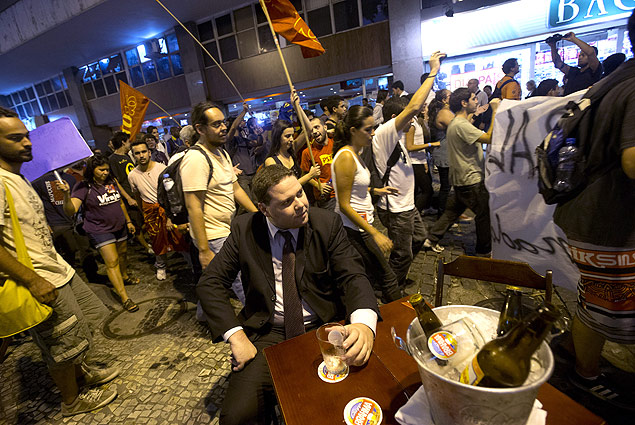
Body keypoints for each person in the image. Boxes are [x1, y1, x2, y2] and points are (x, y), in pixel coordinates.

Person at [196, 164, 379, 425]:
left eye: (300, 193)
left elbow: (353, 275)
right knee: (236, 417)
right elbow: (210, 283)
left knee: (340, 405)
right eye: (287, 202)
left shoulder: (326, 222)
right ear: (264, 209)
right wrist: (236, 336)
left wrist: (362, 324)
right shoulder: (244, 229)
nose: (301, 204)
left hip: (323, 326)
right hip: (268, 331)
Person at [0, 107, 119, 416]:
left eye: (27, 136)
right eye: (15, 138)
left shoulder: (18, 177)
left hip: (59, 270)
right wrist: (31, 279)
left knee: (77, 330)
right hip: (39, 276)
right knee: (60, 344)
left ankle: (83, 375)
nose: (27, 143)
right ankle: (71, 401)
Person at [551, 11, 635, 410]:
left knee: (595, 296)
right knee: (604, 300)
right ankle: (583, 373)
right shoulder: (629, 85)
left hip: (591, 214)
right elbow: (632, 159)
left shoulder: (608, 82)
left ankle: (573, 352)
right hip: (606, 220)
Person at [373, 51, 445, 288]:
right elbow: (414, 106)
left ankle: (395, 278)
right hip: (395, 209)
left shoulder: (400, 139)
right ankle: (391, 288)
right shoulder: (385, 133)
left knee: (419, 239)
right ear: (396, 117)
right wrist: (433, 71)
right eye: (408, 118)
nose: (414, 121)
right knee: (402, 253)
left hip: (407, 205)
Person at [181, 101, 258, 304]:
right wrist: (204, 250)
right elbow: (193, 207)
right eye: (216, 124)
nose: (224, 127)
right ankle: (261, 326)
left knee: (215, 280)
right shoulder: (195, 159)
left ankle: (204, 312)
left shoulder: (221, 152)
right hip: (213, 235)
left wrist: (257, 214)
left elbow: (235, 189)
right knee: (241, 281)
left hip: (226, 228)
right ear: (200, 129)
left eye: (223, 122)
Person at [332, 105, 402, 302]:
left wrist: (375, 190)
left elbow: (353, 187)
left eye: (374, 128)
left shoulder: (356, 152)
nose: (372, 133)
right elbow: (344, 204)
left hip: (362, 225)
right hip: (355, 229)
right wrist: (375, 233)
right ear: (353, 130)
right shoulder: (346, 156)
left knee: (369, 277)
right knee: (388, 278)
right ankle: (401, 318)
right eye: (368, 129)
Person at [423, 88, 500, 255]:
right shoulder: (460, 124)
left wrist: (476, 113)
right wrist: (495, 111)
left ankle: (431, 239)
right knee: (484, 214)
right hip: (470, 178)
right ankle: (483, 250)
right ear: (464, 103)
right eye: (473, 99)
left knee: (452, 212)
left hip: (461, 178)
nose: (476, 101)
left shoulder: (458, 123)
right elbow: (489, 137)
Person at [60, 153, 140, 312]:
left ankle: (124, 276)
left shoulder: (111, 181)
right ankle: (124, 297)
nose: (105, 173)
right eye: (101, 170)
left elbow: (120, 202)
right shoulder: (83, 186)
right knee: (112, 262)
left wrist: (128, 221)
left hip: (120, 226)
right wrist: (66, 195)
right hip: (100, 230)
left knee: (123, 254)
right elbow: (71, 210)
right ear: (92, 169)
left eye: (107, 170)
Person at [128, 139, 191, 281]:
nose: (141, 155)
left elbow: (171, 194)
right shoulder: (132, 175)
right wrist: (144, 212)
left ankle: (192, 265)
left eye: (144, 151)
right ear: (133, 156)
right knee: (156, 241)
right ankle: (161, 266)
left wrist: (170, 217)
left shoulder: (162, 168)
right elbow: (137, 196)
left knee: (180, 238)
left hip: (167, 209)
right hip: (151, 212)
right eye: (137, 153)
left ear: (149, 152)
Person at [31, 171, 100, 282]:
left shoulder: (70, 178)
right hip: (56, 222)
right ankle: (72, 280)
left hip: (75, 220)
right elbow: (36, 204)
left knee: (86, 248)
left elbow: (77, 199)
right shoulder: (39, 181)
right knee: (69, 251)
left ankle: (92, 276)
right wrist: (45, 222)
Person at [108, 131, 153, 255]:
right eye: (128, 141)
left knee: (144, 220)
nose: (130, 144)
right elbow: (115, 181)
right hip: (129, 196)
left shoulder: (127, 156)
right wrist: (127, 198)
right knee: (137, 224)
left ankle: (138, 239)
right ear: (123, 142)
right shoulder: (113, 159)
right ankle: (146, 247)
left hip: (137, 193)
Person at [295, 103, 336, 210]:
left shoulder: (335, 142)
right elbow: (304, 174)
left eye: (317, 127)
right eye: (311, 130)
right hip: (326, 198)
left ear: (325, 127)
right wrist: (318, 185)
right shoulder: (307, 152)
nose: (315, 132)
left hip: (342, 191)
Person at [263, 118, 320, 187]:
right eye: (287, 136)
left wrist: (297, 107)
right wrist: (310, 175)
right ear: (278, 137)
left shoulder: (292, 150)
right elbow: (283, 188)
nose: (291, 139)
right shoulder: (270, 161)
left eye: (292, 135)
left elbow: (309, 129)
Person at [548, 32, 601, 96]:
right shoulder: (574, 71)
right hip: (568, 103)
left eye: (583, 55)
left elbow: (591, 52)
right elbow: (558, 63)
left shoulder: (594, 71)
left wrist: (573, 39)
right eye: (579, 55)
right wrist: (552, 46)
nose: (580, 58)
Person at [427, 89, 453, 218]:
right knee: (446, 187)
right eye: (450, 95)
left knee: (447, 185)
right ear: (444, 100)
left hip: (445, 152)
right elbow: (459, 126)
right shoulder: (444, 113)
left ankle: (445, 213)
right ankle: (442, 214)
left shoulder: (444, 111)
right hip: (444, 153)